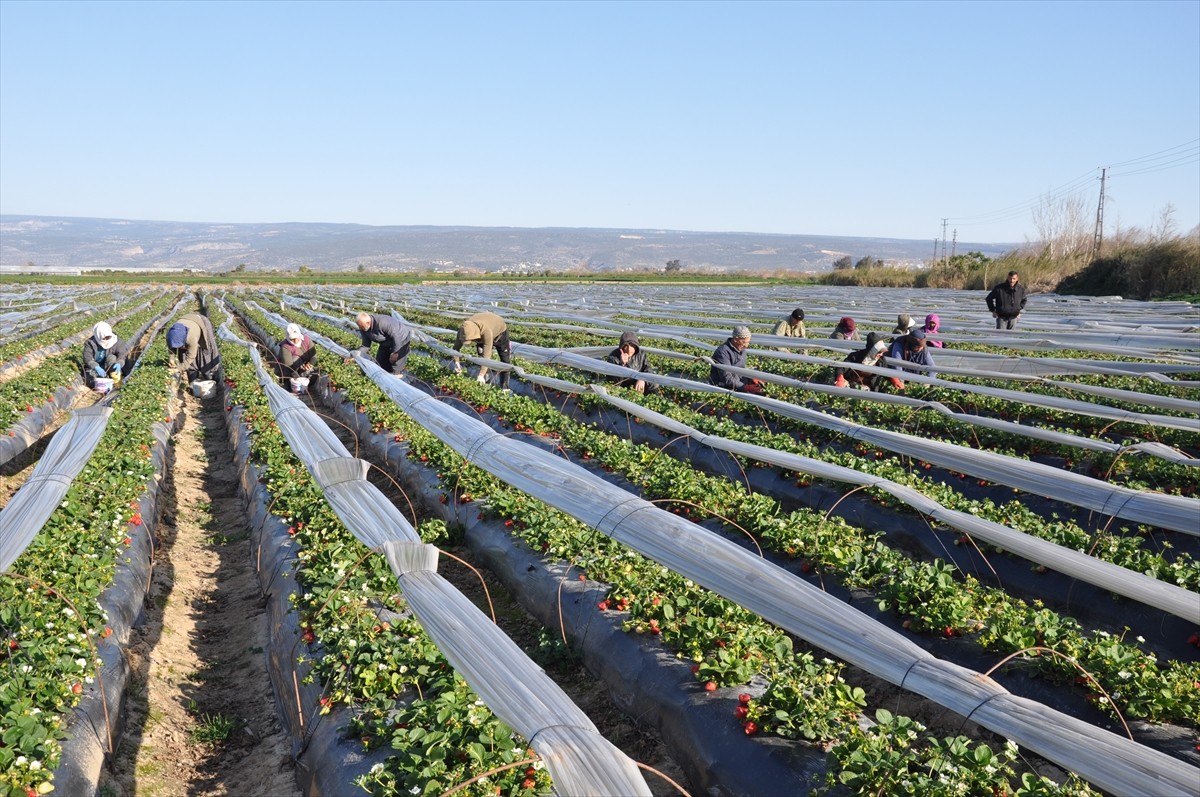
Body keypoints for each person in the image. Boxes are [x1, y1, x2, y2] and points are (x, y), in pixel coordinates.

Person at [453, 311, 511, 389]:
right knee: (481, 357)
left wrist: (480, 375)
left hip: (500, 333)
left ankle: (504, 388)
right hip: (481, 334)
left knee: (505, 361)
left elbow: (487, 354)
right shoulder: (463, 330)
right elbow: (455, 349)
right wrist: (456, 363)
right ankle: (485, 383)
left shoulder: (486, 331)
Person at [166, 313, 220, 384]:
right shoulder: (170, 334)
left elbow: (191, 356)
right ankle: (193, 382)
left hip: (201, 323)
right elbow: (171, 346)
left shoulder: (191, 337)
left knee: (206, 354)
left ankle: (209, 377)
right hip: (187, 321)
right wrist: (171, 359)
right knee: (184, 356)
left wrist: (179, 369)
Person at [710, 326, 764, 393]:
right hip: (724, 387)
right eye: (744, 342)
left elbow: (741, 370)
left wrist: (751, 377)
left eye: (748, 342)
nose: (746, 345)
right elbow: (727, 378)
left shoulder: (741, 349)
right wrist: (745, 387)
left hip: (738, 384)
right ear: (736, 339)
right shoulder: (722, 352)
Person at [83, 321, 126, 389]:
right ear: (98, 336)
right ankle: (104, 383)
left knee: (112, 357)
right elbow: (87, 358)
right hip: (96, 368)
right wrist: (95, 366)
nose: (106, 339)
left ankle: (116, 381)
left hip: (108, 365)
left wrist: (119, 363)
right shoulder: (90, 343)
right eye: (104, 338)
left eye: (108, 337)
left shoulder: (116, 341)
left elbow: (122, 355)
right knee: (91, 380)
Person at [278, 322, 316, 390]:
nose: (295, 340)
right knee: (295, 358)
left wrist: (310, 364)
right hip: (291, 370)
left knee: (313, 374)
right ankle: (291, 383)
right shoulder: (285, 346)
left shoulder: (307, 340)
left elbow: (313, 356)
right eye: (292, 339)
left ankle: (304, 384)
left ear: (299, 334)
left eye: (296, 338)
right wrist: (297, 377)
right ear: (288, 337)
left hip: (303, 367)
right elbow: (289, 365)